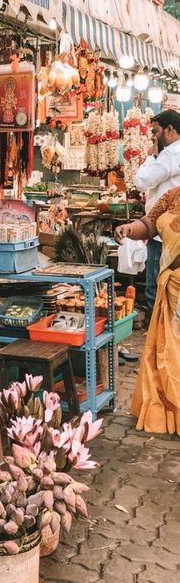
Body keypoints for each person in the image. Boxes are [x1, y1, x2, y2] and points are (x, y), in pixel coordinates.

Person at [115, 186, 180, 435]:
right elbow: (150, 223)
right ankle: (167, 410)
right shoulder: (173, 195)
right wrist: (130, 230)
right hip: (171, 287)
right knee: (168, 352)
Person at [134, 110, 180, 318]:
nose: (154, 136)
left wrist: (152, 156)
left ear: (171, 129)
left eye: (156, 131)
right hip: (171, 231)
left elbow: (142, 181)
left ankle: (158, 333)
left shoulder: (170, 155)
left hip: (162, 233)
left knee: (156, 284)